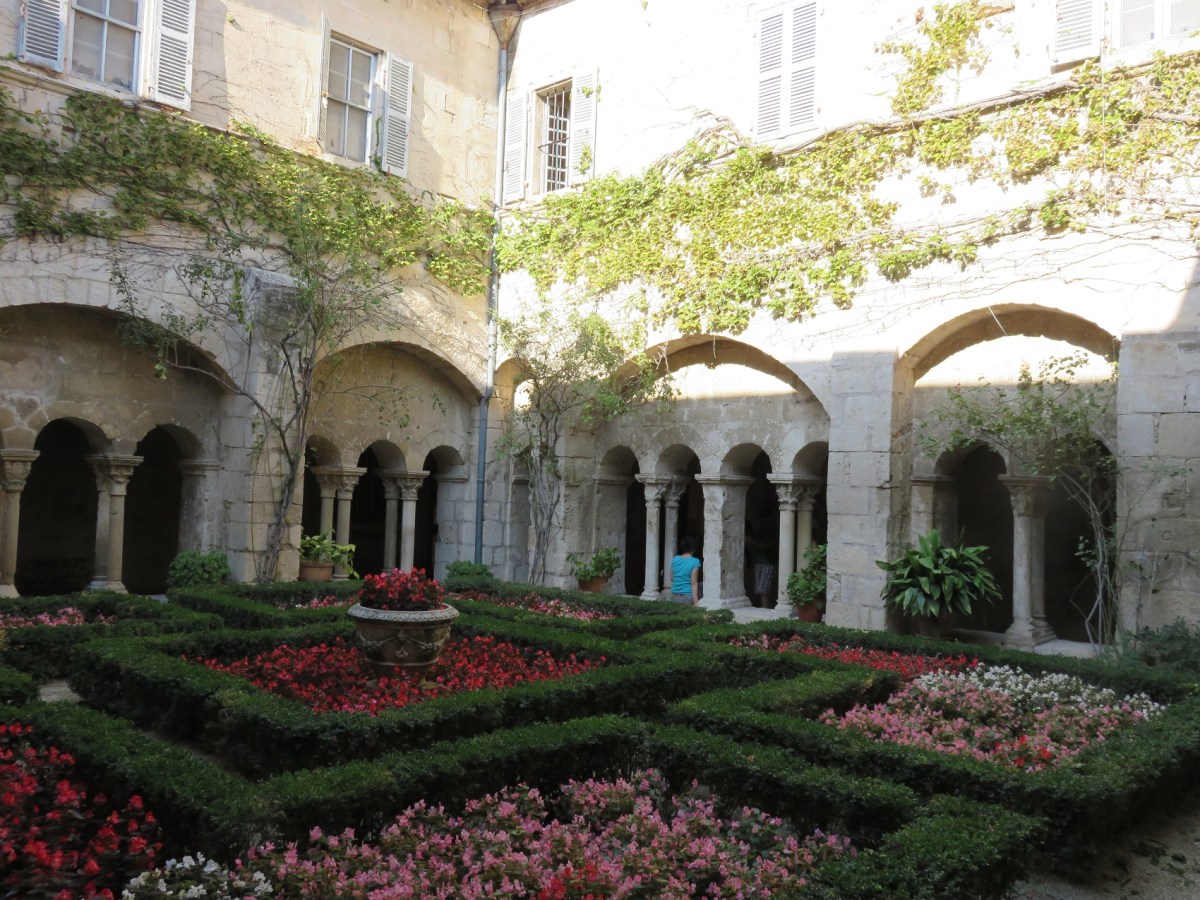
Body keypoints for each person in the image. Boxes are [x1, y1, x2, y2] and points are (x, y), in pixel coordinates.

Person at [670, 535, 701, 605]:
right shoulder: (695, 562)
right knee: (702, 586)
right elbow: (694, 583)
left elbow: (671, 578)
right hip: (687, 598)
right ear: (694, 548)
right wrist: (696, 603)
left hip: (674, 597)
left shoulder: (675, 559)